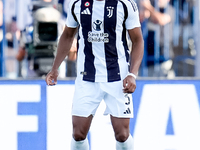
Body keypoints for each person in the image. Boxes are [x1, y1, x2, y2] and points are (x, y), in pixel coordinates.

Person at [45, 0, 144, 149]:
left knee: (122, 135)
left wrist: (132, 74)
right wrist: (55, 68)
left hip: (118, 77)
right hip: (87, 76)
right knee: (78, 134)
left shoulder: (125, 4)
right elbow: (67, 35)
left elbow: (138, 40)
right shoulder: (76, 3)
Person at [140, 0, 175, 77]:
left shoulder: (170, 9)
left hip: (164, 57)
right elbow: (140, 19)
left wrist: (148, 6)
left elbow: (161, 20)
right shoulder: (151, 9)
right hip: (148, 57)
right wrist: (144, 9)